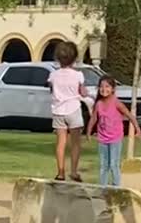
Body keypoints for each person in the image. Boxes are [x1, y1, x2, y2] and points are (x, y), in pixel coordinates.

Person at [86, 75, 141, 186]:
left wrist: (137, 129)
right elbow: (94, 118)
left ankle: (116, 187)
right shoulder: (99, 104)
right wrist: (89, 131)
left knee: (113, 164)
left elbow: (129, 115)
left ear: (113, 89)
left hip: (115, 138)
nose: (104, 89)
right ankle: (103, 188)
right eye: (101, 86)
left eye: (107, 86)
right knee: (103, 165)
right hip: (102, 139)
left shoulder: (116, 103)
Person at [48, 41, 87, 182]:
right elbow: (82, 92)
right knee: (75, 143)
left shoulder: (53, 75)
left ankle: (60, 172)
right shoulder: (78, 75)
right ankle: (74, 171)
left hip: (58, 110)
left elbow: (52, 89)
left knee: (61, 142)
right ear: (74, 57)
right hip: (73, 109)